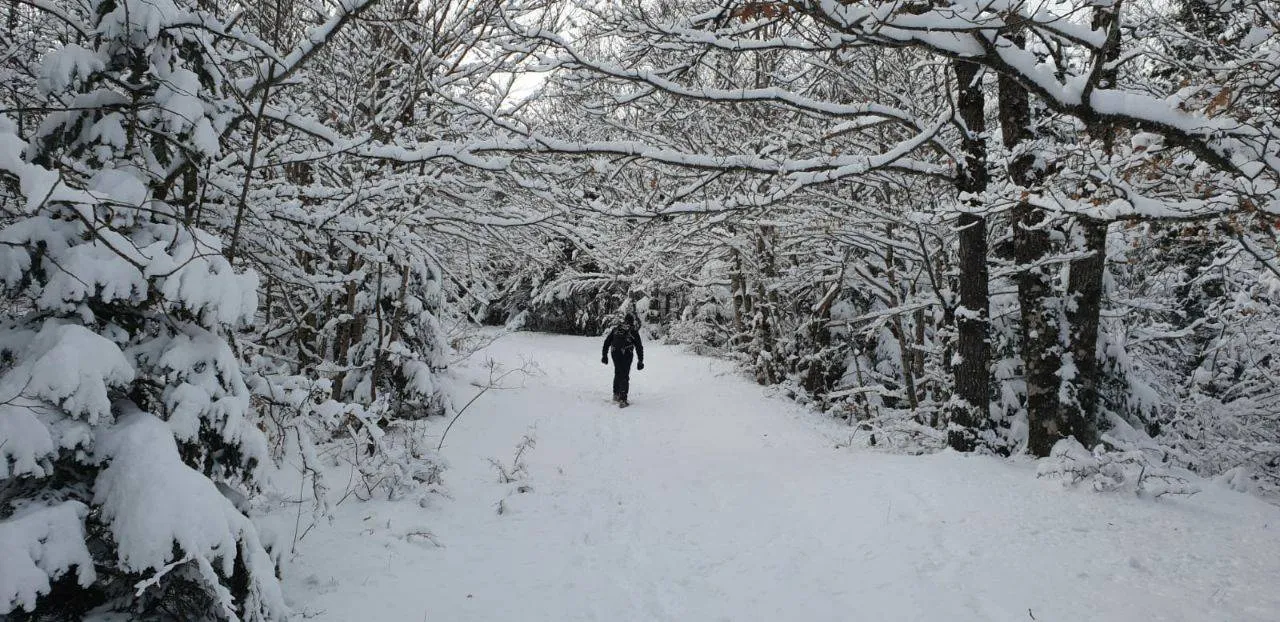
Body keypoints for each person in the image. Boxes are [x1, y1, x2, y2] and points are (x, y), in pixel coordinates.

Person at [601, 312, 644, 406]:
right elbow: (639, 347)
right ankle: (623, 399)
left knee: (618, 372)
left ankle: (616, 394)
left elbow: (607, 342)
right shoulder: (633, 331)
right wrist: (640, 361)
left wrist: (604, 355)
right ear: (632, 322)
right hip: (626, 354)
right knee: (624, 374)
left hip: (614, 353)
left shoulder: (616, 329)